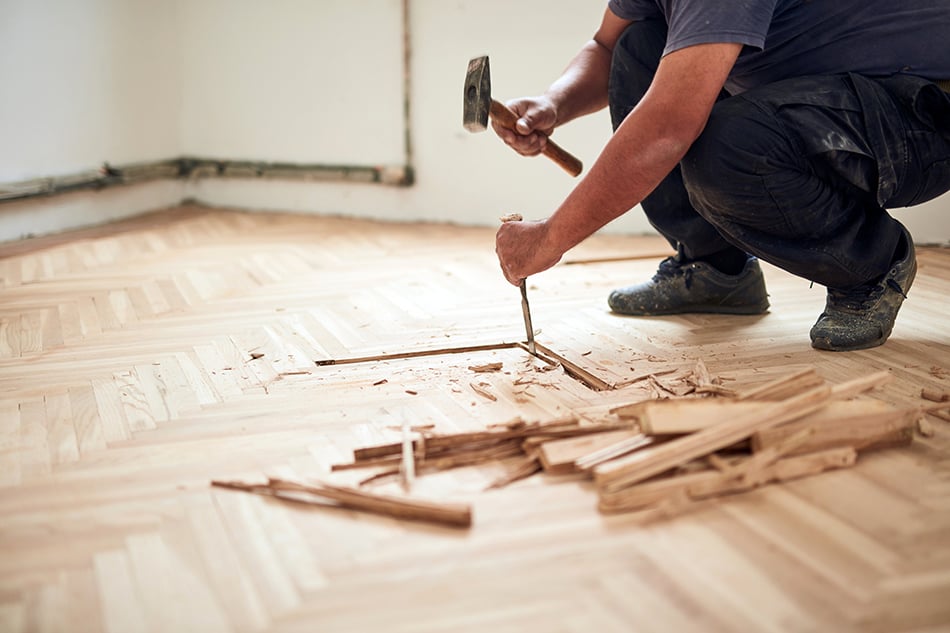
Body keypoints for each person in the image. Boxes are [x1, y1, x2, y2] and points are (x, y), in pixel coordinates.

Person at [493, 1, 950, 351]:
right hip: (837, 104)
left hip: (923, 116)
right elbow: (608, 47)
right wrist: (553, 103)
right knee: (641, 42)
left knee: (727, 145)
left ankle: (869, 266)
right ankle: (715, 269)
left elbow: (666, 129)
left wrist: (548, 239)